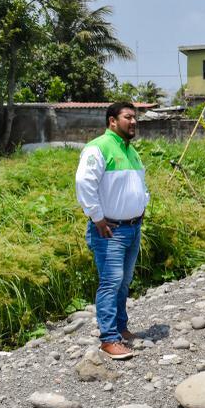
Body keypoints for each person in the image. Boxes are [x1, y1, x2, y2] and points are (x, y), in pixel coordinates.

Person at [75, 102, 150, 360]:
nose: (134, 122)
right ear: (112, 122)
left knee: (123, 282)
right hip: (110, 231)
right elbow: (84, 183)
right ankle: (108, 339)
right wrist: (97, 218)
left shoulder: (132, 151)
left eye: (135, 117)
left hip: (132, 228)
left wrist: (142, 205)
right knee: (110, 283)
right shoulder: (98, 147)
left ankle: (120, 327)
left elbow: (140, 183)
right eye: (128, 117)